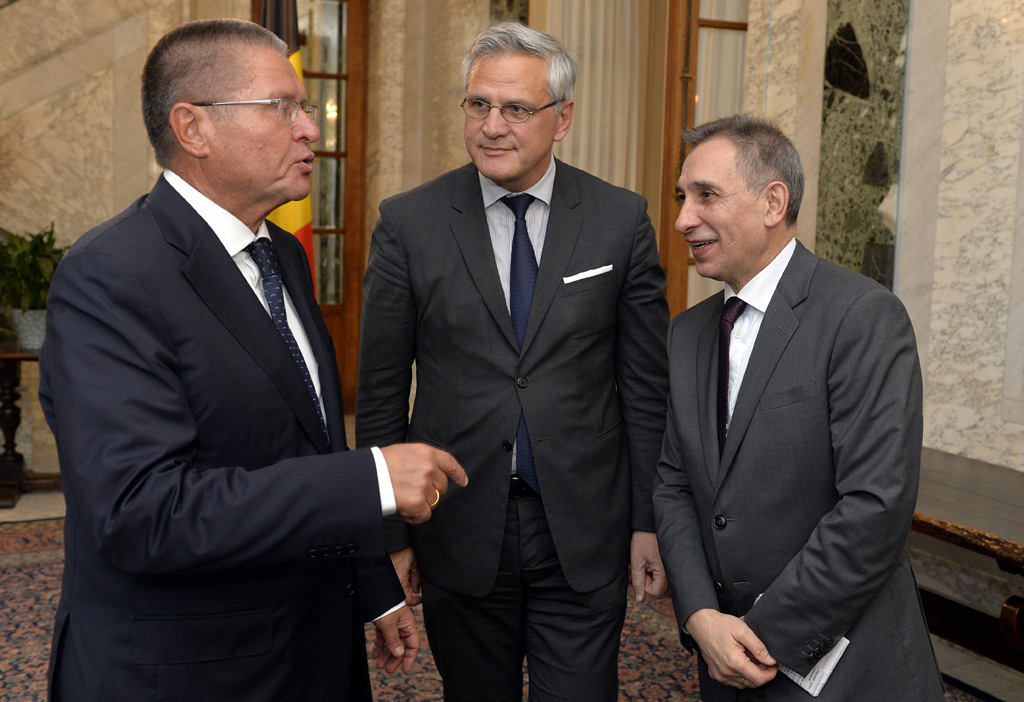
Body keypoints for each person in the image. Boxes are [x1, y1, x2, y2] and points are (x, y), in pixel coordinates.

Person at [39, 19, 466, 702]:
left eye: (303, 107)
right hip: (190, 670)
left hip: (308, 648)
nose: (310, 129)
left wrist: (370, 585)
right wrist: (371, 481)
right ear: (193, 128)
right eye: (281, 107)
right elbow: (141, 513)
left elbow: (310, 439)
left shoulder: (282, 255)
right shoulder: (111, 275)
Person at [356, 20, 669, 702]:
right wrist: (389, 533)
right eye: (478, 104)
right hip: (459, 527)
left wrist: (648, 519)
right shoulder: (409, 224)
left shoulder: (620, 220)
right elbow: (380, 393)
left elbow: (646, 388)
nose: (492, 125)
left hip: (585, 528)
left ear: (563, 118)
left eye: (516, 109)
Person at [653, 114, 944, 701]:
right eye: (683, 197)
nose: (684, 218)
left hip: (845, 666)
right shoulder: (687, 333)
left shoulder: (861, 317)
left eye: (706, 195)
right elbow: (673, 484)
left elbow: (875, 507)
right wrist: (700, 618)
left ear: (772, 202)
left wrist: (760, 637)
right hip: (723, 659)